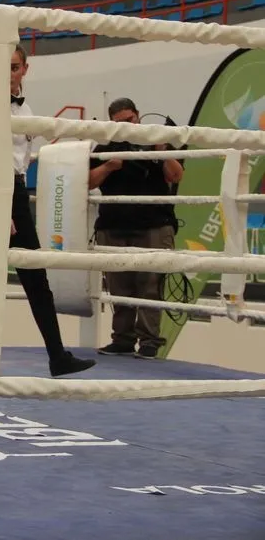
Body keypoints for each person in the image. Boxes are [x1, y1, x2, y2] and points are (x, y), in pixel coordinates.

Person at [8, 45, 96, 377]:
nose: (9, 74)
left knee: (35, 277)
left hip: (15, 191)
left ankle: (57, 356)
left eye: (14, 67)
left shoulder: (26, 108)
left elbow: (26, 152)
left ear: (25, 69)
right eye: (4, 67)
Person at [89, 97, 182, 359]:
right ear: (112, 123)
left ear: (138, 115)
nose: (127, 126)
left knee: (151, 286)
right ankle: (122, 339)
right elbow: (88, 181)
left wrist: (161, 152)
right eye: (119, 123)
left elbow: (176, 176)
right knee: (119, 287)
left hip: (154, 223)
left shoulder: (159, 138)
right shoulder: (106, 145)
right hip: (113, 224)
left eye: (130, 120)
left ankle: (150, 341)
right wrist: (109, 165)